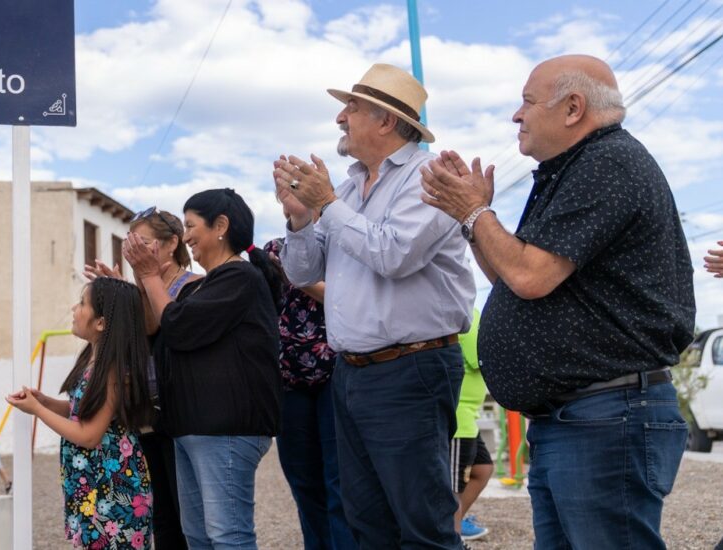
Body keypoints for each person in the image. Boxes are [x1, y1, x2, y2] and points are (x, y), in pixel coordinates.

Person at [420, 54, 695, 548]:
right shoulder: (578, 169)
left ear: (573, 108)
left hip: (607, 416)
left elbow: (529, 275)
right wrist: (472, 220)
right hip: (581, 417)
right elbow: (513, 274)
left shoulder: (607, 163)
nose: (516, 116)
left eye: (526, 102)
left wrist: (476, 211)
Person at [276, 63, 475, 549]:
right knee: (367, 525)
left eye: (352, 107)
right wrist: (300, 220)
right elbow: (301, 273)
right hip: (352, 373)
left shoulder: (431, 179)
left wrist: (326, 205)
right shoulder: (342, 190)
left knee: (423, 525)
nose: (340, 118)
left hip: (412, 368)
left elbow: (394, 255)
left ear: (386, 121)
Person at [125, 188, 283, 549]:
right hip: (192, 428)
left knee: (228, 535)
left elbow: (178, 326)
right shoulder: (211, 284)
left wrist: (150, 277)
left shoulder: (238, 278)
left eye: (192, 225)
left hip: (225, 429)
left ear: (221, 226)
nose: (187, 236)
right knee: (198, 536)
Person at [6, 277, 154, 549]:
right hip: (94, 482)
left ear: (101, 322)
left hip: (111, 487)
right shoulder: (93, 361)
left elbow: (88, 435)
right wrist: (45, 402)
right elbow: (82, 410)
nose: (74, 308)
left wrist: (37, 410)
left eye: (82, 303)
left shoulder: (111, 371)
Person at [86, 206, 198, 550]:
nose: (135, 249)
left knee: (188, 517)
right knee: (160, 517)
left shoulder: (194, 286)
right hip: (145, 416)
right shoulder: (143, 286)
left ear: (171, 243)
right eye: (131, 242)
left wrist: (138, 283)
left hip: (181, 417)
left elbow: (155, 324)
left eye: (144, 242)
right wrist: (120, 291)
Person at [264, 190, 355, 550]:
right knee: (303, 482)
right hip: (289, 382)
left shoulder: (344, 250)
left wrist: (302, 277)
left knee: (339, 481)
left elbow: (345, 296)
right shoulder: (274, 250)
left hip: (337, 375)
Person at [452, 309, 492, 542]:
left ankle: (454, 525)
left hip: (468, 417)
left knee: (482, 468)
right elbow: (481, 358)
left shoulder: (475, 311)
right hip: (458, 420)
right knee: (452, 489)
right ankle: (451, 535)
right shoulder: (466, 312)